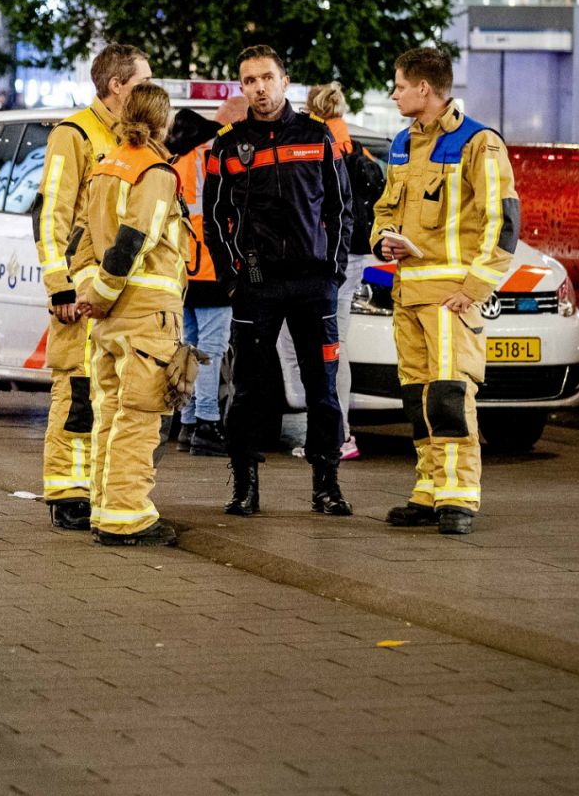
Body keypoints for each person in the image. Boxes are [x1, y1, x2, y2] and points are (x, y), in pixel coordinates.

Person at [372, 47, 519, 536]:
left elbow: (504, 224)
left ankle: (459, 496)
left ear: (424, 89)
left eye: (398, 86)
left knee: (450, 397)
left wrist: (475, 288)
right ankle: (430, 490)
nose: (393, 94)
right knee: (417, 399)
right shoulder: (401, 144)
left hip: (451, 297)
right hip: (407, 294)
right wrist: (381, 239)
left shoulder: (479, 142)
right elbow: (384, 210)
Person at [203, 44, 353, 517]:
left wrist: (334, 269)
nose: (259, 88)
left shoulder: (318, 136)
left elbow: (342, 208)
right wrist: (232, 278)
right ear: (241, 87)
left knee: (323, 390)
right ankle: (244, 485)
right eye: (249, 81)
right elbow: (213, 217)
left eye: (267, 78)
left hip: (313, 284)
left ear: (286, 82)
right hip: (256, 284)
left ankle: (326, 484)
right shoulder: (227, 145)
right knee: (248, 389)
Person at [32, 43, 152, 530]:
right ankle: (67, 489)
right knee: (76, 390)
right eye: (142, 81)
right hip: (80, 287)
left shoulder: (132, 138)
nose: (150, 89)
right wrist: (59, 287)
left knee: (109, 392)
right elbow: (50, 214)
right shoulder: (75, 134)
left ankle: (99, 487)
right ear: (117, 85)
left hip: (115, 288)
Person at [71, 82, 185, 545]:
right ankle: (128, 515)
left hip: (110, 322)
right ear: (162, 121)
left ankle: (104, 508)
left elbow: (78, 245)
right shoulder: (155, 172)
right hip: (146, 317)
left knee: (110, 415)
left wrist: (91, 295)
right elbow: (133, 241)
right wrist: (104, 294)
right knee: (139, 420)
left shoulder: (105, 167)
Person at [306, 82, 387, 460]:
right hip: (355, 256)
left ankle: (337, 435)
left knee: (327, 347)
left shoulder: (318, 142)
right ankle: (338, 433)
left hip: (329, 258)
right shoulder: (355, 144)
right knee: (337, 345)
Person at [170, 97, 247, 457]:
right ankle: (206, 423)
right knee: (210, 350)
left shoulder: (184, 152)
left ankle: (186, 422)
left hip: (184, 268)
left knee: (188, 344)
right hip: (212, 266)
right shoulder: (217, 151)